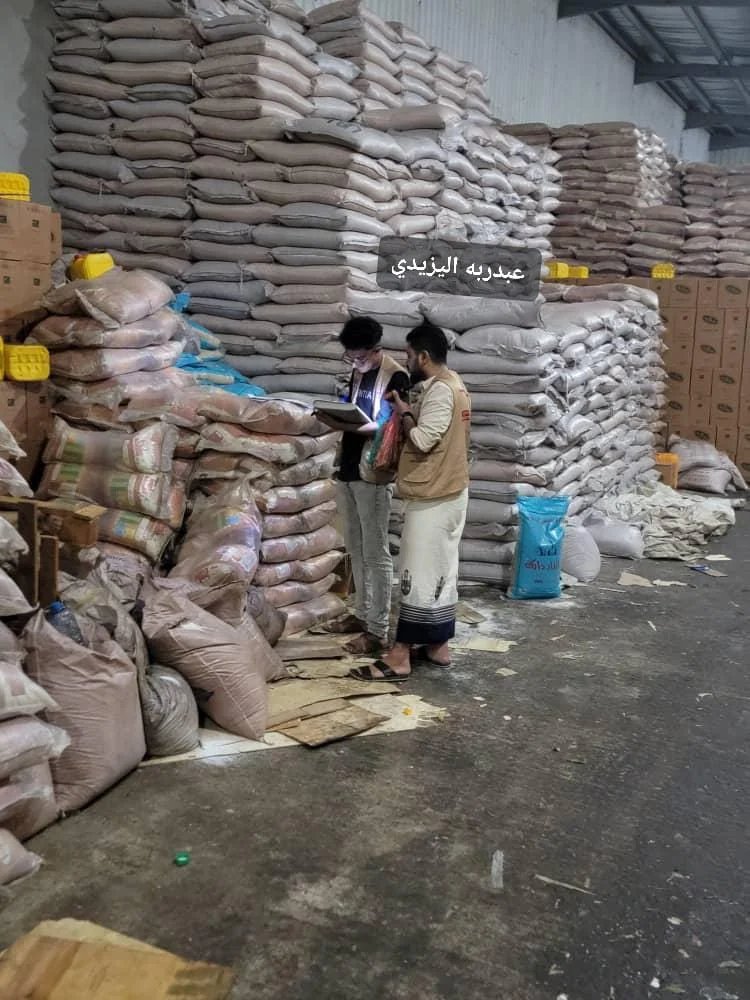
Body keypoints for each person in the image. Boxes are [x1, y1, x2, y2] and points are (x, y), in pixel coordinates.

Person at [350, 319, 471, 682]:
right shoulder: (454, 384)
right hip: (449, 491)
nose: (406, 361)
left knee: (416, 574)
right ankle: (437, 645)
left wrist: (403, 413)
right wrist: (407, 405)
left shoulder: (441, 391)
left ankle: (400, 655)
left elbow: (422, 439)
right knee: (441, 573)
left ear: (423, 356)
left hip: (434, 495)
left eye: (408, 355)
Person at [317, 317, 409, 655]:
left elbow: (387, 426)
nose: (355, 364)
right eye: (351, 358)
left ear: (376, 349)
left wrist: (347, 425)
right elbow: (353, 406)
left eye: (360, 357)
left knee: (376, 552)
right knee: (355, 547)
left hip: (374, 473)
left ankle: (378, 629)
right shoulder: (358, 372)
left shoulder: (395, 376)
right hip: (349, 467)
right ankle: (361, 613)